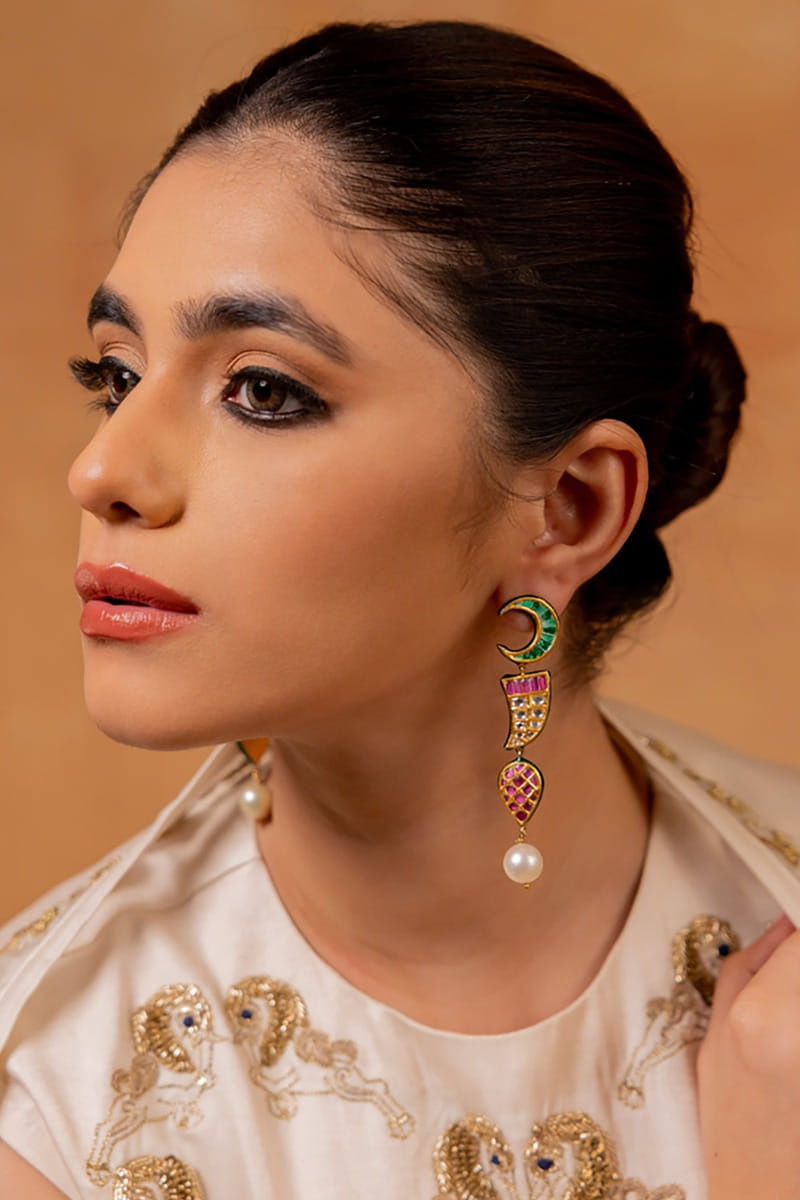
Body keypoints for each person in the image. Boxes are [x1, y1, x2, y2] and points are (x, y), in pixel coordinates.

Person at [0, 19, 798, 1200]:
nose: (102, 470)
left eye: (260, 389)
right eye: (116, 375)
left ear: (569, 509)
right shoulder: (54, 1104)